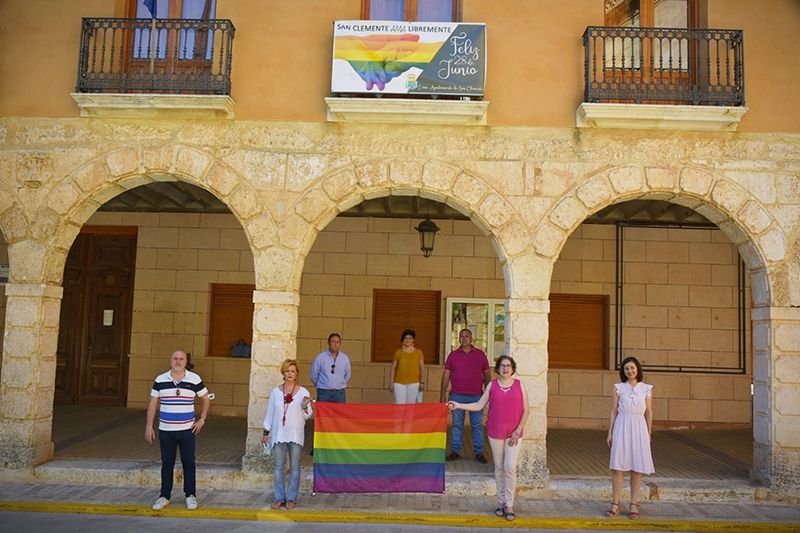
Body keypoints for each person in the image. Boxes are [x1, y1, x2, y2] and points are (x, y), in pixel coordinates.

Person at [448, 355, 528, 522]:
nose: (505, 368)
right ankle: (500, 502)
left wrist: (517, 431)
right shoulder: (492, 385)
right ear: (498, 369)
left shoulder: (520, 386)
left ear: (513, 369)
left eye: (508, 365)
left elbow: (526, 411)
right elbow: (478, 405)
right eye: (502, 365)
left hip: (514, 434)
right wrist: (459, 405)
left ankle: (510, 504)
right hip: (495, 432)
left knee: (510, 467)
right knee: (499, 467)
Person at [145, 350, 210, 511]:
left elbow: (206, 398)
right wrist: (148, 426)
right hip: (166, 430)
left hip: (187, 430)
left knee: (189, 463)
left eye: (181, 359)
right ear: (170, 360)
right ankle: (164, 496)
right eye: (175, 358)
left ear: (186, 361)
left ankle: (190, 495)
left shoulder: (194, 379)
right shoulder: (160, 379)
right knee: (167, 464)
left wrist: (202, 419)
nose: (178, 362)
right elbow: (153, 403)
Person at [606, 356, 654, 520]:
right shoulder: (619, 388)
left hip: (639, 427)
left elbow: (649, 412)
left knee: (637, 467)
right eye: (626, 369)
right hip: (622, 426)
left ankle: (634, 503)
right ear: (623, 371)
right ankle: (616, 503)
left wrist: (648, 433)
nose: (630, 371)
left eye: (632, 368)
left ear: (638, 369)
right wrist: (610, 432)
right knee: (618, 467)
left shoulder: (646, 389)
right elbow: (614, 411)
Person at [262, 359, 313, 510]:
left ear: (296, 374)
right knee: (278, 467)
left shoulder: (304, 392)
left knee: (295, 467)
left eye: (293, 371)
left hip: (295, 434)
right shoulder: (275, 392)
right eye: (287, 371)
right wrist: (266, 432)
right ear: (283, 373)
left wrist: (305, 407)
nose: (290, 373)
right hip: (279, 434)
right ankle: (279, 498)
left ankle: (291, 498)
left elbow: (307, 414)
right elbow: (270, 413)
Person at [440, 328, 491, 464]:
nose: (464, 338)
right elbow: (446, 375)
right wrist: (442, 394)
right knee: (457, 425)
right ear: (458, 339)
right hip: (457, 395)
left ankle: (479, 452)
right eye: (461, 336)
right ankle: (455, 451)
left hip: (477, 397)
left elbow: (486, 374)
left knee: (477, 425)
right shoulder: (453, 355)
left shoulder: (480, 355)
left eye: (466, 336)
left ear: (471, 338)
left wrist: (489, 394)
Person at [309, 333, 351, 403]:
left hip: (339, 393)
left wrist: (339, 384)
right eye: (333, 341)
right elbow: (314, 375)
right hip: (324, 392)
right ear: (328, 343)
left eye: (338, 342)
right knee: (323, 413)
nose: (335, 344)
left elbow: (348, 375)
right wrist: (322, 385)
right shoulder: (320, 357)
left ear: (340, 344)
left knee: (339, 413)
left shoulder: (345, 358)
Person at [388, 329, 425, 404]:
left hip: (414, 383)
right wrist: (391, 382)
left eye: (410, 338)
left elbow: (422, 368)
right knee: (399, 407)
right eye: (405, 338)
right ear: (403, 340)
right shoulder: (398, 352)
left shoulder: (418, 352)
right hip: (399, 383)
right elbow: (393, 368)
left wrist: (422, 382)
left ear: (413, 340)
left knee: (410, 407)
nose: (407, 340)